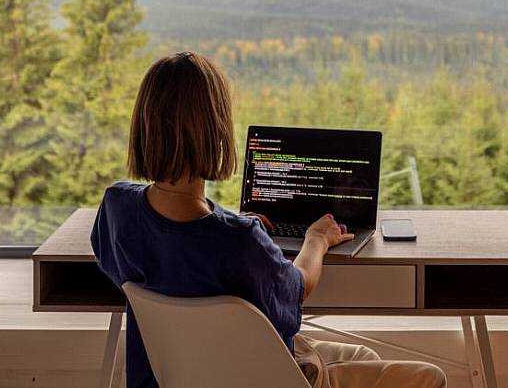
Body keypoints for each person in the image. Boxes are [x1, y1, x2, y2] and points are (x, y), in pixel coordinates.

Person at [91, 51, 447, 388]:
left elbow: (168, 247)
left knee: (363, 355)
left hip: (171, 377)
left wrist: (224, 220)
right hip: (271, 378)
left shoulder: (117, 207)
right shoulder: (240, 241)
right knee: (429, 376)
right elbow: (298, 288)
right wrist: (317, 240)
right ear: (217, 131)